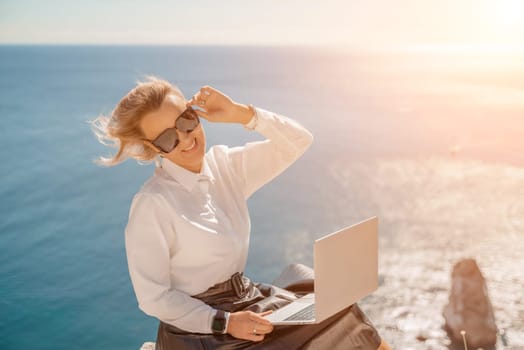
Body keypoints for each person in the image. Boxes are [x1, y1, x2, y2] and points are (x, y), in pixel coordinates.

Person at [90, 76, 390, 349]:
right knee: (339, 322)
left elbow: (299, 141)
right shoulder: (152, 204)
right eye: (168, 138)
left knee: (339, 303)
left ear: (195, 113)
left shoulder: (225, 166)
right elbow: (153, 297)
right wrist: (225, 322)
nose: (185, 138)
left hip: (245, 300)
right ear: (152, 147)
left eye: (186, 121)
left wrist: (241, 114)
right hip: (201, 329)